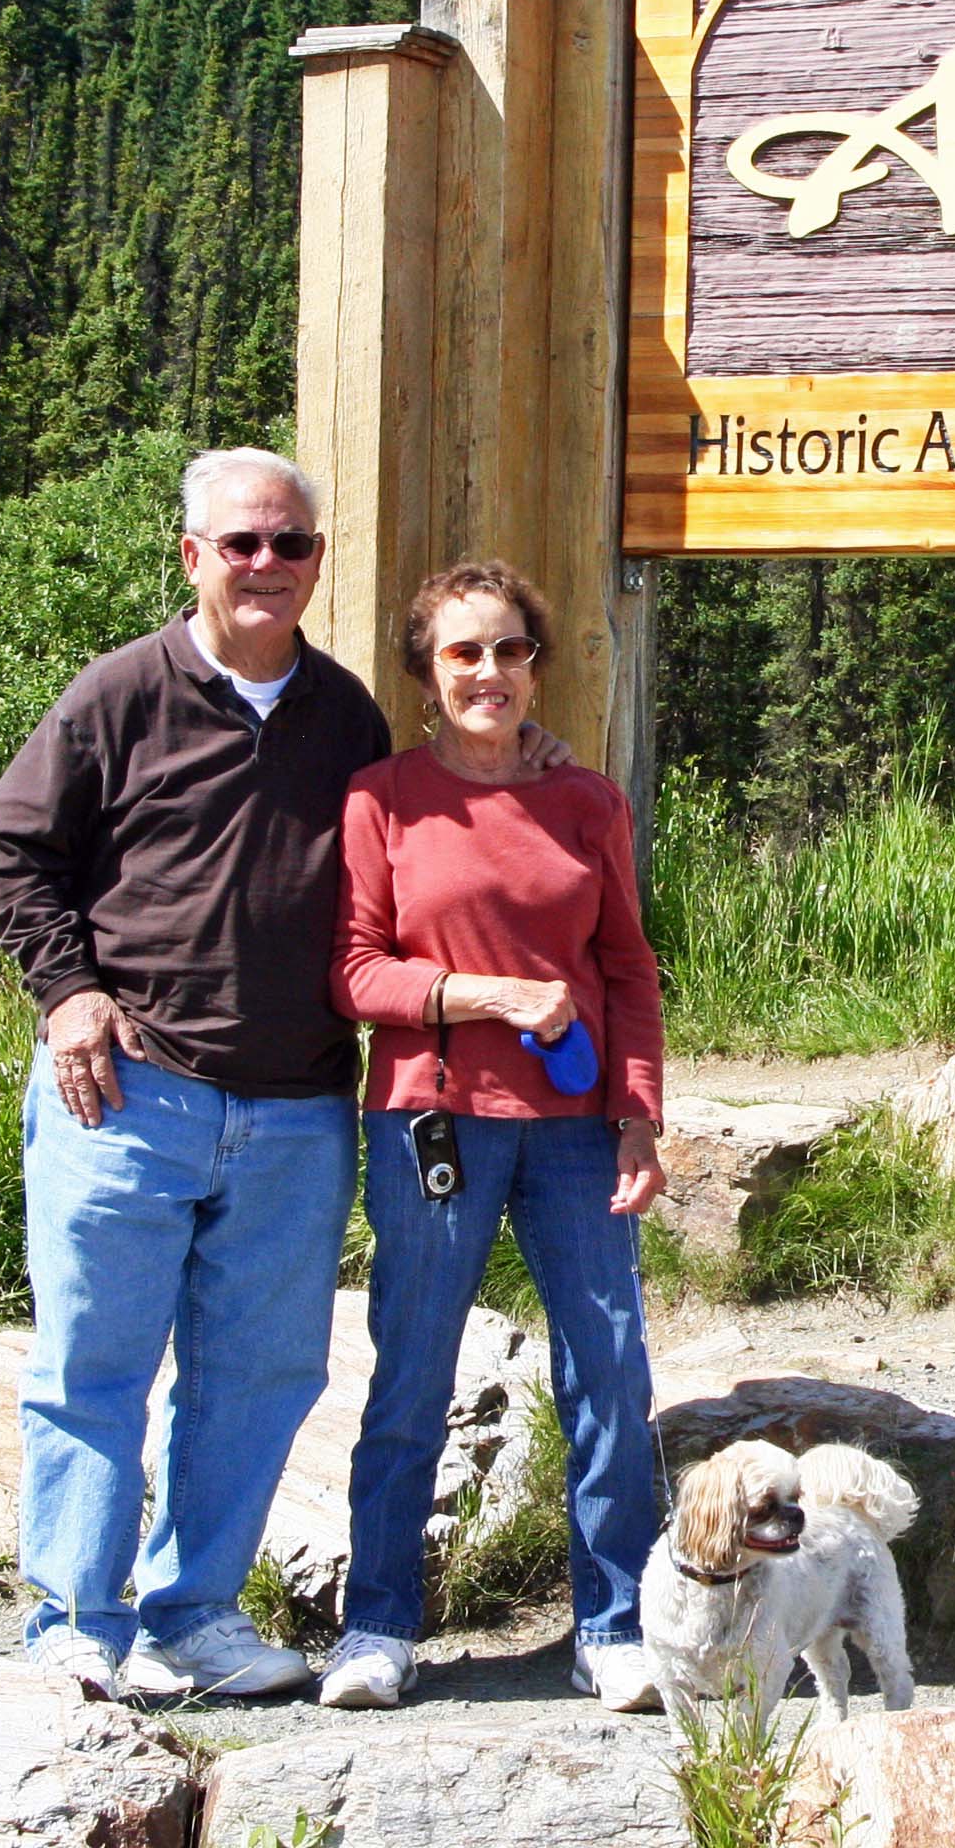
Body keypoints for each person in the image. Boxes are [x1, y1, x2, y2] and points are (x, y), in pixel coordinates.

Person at [0, 449, 555, 1700]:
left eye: (289, 545)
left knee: (260, 1374)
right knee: (93, 1364)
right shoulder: (119, 694)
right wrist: (69, 993)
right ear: (192, 556)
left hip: (295, 1105)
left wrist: (530, 769)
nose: (264, 566)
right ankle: (75, 1620)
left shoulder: (344, 717)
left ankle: (194, 1616)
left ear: (316, 563)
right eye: (239, 544)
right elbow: (5, 852)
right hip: (126, 1091)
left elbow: (426, 826)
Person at [319, 558, 671, 1712]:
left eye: (510, 649)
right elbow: (357, 974)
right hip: (433, 1121)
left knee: (610, 1378)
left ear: (536, 665)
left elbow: (624, 967)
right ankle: (376, 1629)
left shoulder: (588, 803)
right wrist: (491, 997)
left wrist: (638, 1114)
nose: (488, 672)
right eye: (463, 651)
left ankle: (614, 1625)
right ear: (427, 669)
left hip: (575, 1134)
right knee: (411, 1378)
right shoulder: (381, 799)